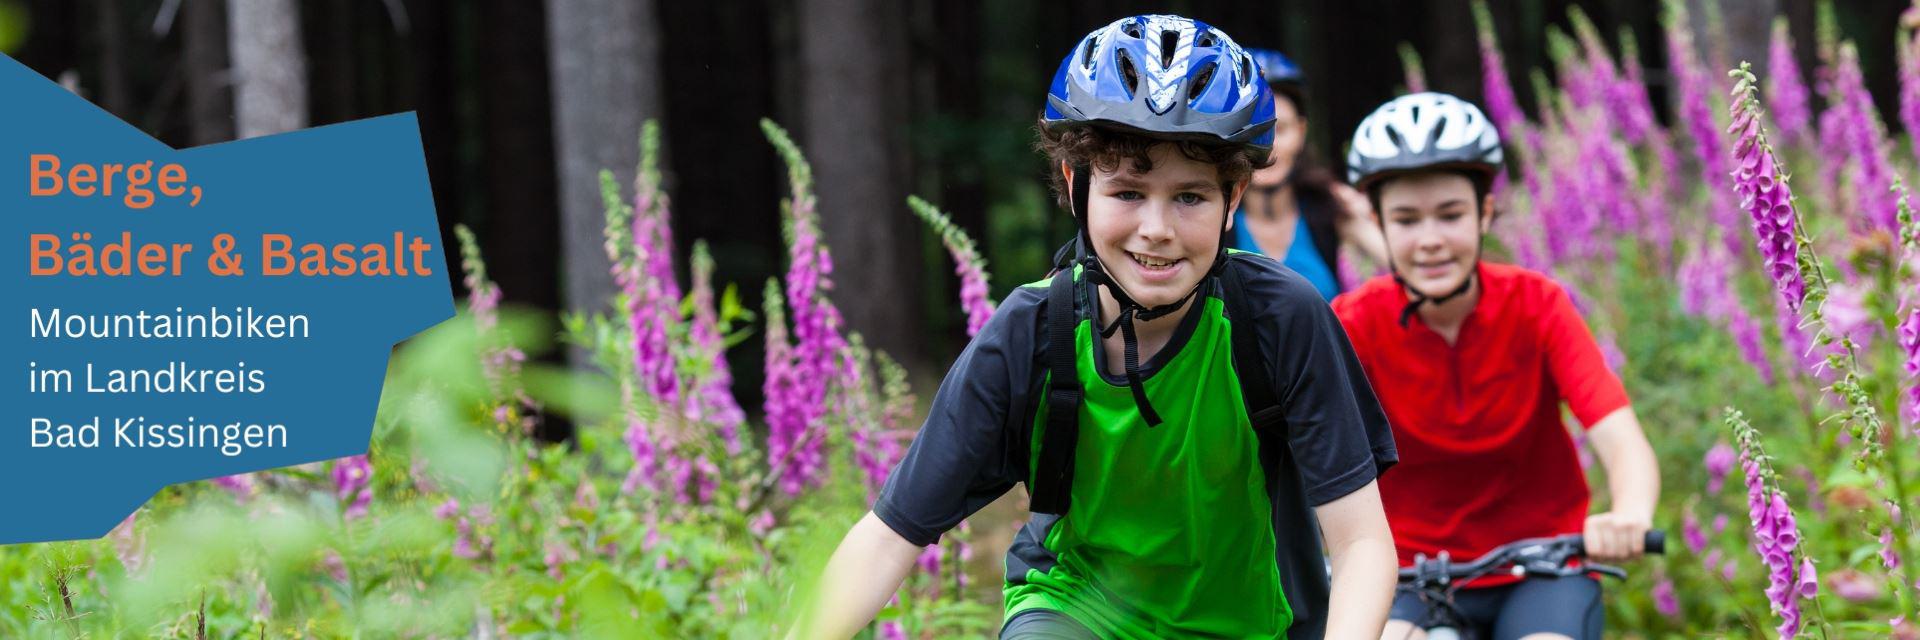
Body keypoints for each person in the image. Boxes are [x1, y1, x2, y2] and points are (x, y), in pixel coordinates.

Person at [791, 15, 1399, 640]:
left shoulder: (1280, 317)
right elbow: (888, 539)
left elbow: (1361, 546)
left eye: (1190, 196)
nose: (1157, 228)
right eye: (1128, 193)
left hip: (1259, 624)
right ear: (1076, 186)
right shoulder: (1030, 332)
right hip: (1079, 613)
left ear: (1233, 198)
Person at [1327, 92, 1661, 640]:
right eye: (1407, 219)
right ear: (1378, 224)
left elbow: (1618, 433)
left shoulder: (1537, 304)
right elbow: (1295, 450)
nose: (1430, 240)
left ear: (1485, 212)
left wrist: (1629, 512)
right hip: (1406, 573)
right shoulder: (1353, 323)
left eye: (1451, 214)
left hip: (1543, 566)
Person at [1233, 48, 1386, 302]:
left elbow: (1406, 268)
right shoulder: (1214, 219)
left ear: (1301, 132)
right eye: (1252, 131)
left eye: (1279, 130)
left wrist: (1362, 214)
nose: (1269, 146)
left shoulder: (1330, 209)